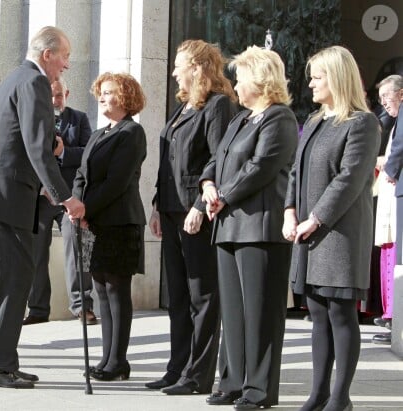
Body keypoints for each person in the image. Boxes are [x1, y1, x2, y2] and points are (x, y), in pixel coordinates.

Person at [0, 26, 84, 389]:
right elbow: (35, 147)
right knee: (14, 279)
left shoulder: (17, 78)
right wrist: (65, 196)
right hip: (4, 195)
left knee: (7, 280)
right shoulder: (34, 83)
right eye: (64, 56)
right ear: (47, 55)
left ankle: (0, 361)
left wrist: (45, 188)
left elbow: (19, 142)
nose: (66, 65)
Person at [283, 45, 380, 411]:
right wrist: (290, 211)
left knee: (341, 313)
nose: (310, 83)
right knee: (317, 313)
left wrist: (315, 218)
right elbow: (296, 171)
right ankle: (318, 392)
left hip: (338, 233)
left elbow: (349, 179)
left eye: (317, 77)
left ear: (336, 78)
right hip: (308, 232)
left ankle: (340, 397)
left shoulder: (362, 123)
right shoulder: (315, 120)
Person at [202, 46, 298, 409]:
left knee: (260, 312)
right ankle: (231, 381)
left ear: (259, 80)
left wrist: (223, 195)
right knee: (234, 311)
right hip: (227, 226)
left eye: (240, 78)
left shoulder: (280, 118)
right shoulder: (240, 119)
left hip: (260, 227)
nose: (235, 85)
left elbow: (261, 167)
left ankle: (258, 390)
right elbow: (216, 159)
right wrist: (208, 186)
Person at [146, 40, 237, 395]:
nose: (172, 72)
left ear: (198, 67)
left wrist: (200, 205)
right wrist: (157, 204)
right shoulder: (183, 107)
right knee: (179, 297)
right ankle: (177, 368)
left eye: (178, 65)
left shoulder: (217, 106)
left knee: (203, 295)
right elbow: (169, 161)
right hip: (170, 210)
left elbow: (218, 159)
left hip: (194, 212)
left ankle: (198, 374)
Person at [73, 72, 146, 382]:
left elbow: (117, 181)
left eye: (109, 92)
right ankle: (107, 359)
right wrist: (76, 204)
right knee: (100, 288)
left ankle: (118, 361)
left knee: (117, 289)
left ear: (125, 98)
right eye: (100, 92)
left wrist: (87, 207)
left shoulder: (132, 132)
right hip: (96, 221)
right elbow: (81, 174)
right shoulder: (99, 133)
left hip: (120, 221)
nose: (101, 97)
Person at [24, 77, 95, 326]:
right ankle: (37, 308)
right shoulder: (33, 118)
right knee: (35, 252)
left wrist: (63, 151)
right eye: (49, 96)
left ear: (67, 93)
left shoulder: (79, 119)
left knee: (77, 246)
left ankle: (82, 305)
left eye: (58, 95)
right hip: (40, 198)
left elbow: (88, 151)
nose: (54, 101)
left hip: (69, 197)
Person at [376, 74, 403, 345]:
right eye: (381, 98)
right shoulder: (391, 119)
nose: (384, 103)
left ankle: (395, 317)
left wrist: (391, 169)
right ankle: (391, 316)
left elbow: (400, 145)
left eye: (388, 96)